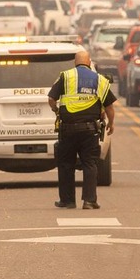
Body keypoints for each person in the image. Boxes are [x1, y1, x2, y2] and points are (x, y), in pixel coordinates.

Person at [48, 50, 116, 209]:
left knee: (66, 164)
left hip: (68, 130)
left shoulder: (65, 76)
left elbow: (51, 99)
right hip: (90, 130)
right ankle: (89, 201)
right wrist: (111, 123)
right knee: (90, 164)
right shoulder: (100, 79)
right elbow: (109, 107)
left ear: (75, 62)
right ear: (90, 62)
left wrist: (57, 111)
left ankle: (67, 201)